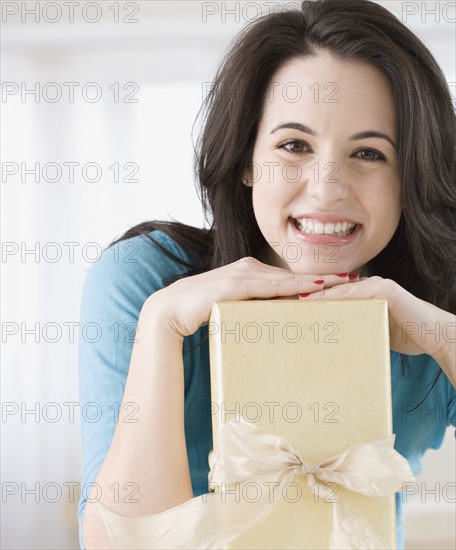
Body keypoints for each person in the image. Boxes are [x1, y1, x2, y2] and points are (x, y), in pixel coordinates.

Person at [77, 0, 456, 548]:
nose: (327, 187)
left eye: (370, 153)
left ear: (411, 174)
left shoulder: (434, 295)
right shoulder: (145, 280)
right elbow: (118, 543)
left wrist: (437, 333)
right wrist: (160, 327)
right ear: (248, 159)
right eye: (294, 145)